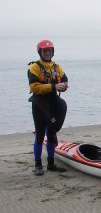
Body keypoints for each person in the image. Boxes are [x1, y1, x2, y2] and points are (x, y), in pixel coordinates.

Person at [28, 39, 69, 176]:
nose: (47, 53)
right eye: (45, 51)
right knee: (40, 135)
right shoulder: (34, 67)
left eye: (49, 50)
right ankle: (38, 165)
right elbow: (34, 86)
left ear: (52, 52)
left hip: (52, 103)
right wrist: (53, 86)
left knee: (51, 134)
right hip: (39, 104)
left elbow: (64, 79)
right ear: (40, 52)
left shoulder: (56, 67)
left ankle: (51, 164)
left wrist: (64, 86)